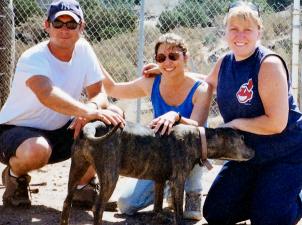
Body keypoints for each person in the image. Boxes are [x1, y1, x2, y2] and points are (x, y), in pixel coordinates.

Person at [144, 1, 302, 224]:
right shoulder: (224, 62)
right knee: (216, 212)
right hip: (246, 153)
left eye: (248, 29)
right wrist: (168, 71)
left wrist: (235, 123)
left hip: (284, 153)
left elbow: (276, 123)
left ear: (259, 31)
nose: (240, 35)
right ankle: (266, 196)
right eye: (234, 29)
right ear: (226, 31)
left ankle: (292, 197)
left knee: (268, 219)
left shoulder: (268, 64)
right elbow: (204, 82)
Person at [0, 0, 124, 208]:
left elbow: (99, 93)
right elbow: (47, 94)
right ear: (47, 25)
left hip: (64, 129)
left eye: (71, 24)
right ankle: (15, 176)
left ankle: (82, 186)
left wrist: (90, 111)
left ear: (81, 27)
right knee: (37, 149)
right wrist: (85, 110)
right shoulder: (32, 58)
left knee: (112, 115)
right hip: (17, 132)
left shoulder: (84, 50)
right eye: (58, 24)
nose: (64, 30)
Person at [101, 33, 212, 220]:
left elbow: (197, 127)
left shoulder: (201, 89)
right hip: (160, 155)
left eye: (173, 56)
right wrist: (87, 54)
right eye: (161, 58)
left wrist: (175, 116)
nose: (167, 62)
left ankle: (193, 190)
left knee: (191, 214)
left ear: (186, 57)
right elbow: (113, 88)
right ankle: (170, 185)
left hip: (190, 154)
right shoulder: (151, 83)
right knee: (126, 204)